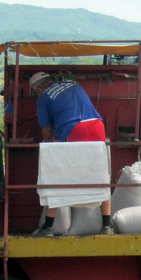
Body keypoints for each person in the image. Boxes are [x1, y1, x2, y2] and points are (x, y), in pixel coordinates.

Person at [30, 72, 114, 235]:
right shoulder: (73, 83)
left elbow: (47, 133)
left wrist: (52, 148)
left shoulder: (43, 97)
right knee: (101, 177)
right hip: (97, 126)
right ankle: (107, 226)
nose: (36, 95)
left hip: (76, 130)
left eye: (35, 92)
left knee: (58, 177)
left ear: (40, 87)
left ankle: (48, 227)